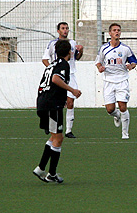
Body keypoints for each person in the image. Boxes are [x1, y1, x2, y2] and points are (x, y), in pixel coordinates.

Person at [33, 39, 82, 184]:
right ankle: (51, 174)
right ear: (70, 52)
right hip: (51, 105)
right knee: (59, 138)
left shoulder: (51, 65)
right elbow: (55, 79)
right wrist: (72, 90)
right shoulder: (63, 64)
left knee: (55, 137)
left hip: (43, 102)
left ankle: (41, 168)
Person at [95, 23, 137, 139]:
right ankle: (116, 115)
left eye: (118, 30)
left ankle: (125, 133)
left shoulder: (125, 49)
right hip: (108, 80)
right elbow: (98, 61)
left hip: (122, 80)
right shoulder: (104, 48)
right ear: (110, 33)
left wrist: (131, 66)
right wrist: (100, 67)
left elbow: (134, 61)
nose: (117, 32)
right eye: (114, 30)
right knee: (110, 109)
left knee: (123, 106)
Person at [42, 22, 83, 138]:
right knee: (54, 102)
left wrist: (81, 51)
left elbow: (77, 58)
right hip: (58, 76)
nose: (65, 30)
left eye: (67, 28)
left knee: (70, 101)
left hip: (71, 75)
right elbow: (45, 59)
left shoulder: (72, 43)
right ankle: (48, 123)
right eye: (63, 28)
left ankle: (69, 131)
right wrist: (53, 69)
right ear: (58, 31)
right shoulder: (52, 44)